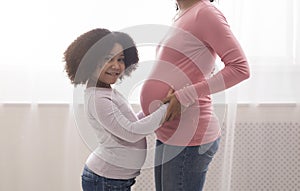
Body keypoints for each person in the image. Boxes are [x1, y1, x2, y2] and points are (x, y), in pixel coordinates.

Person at [140, 0, 250, 190]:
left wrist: (185, 96)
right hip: (169, 132)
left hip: (189, 137)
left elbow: (240, 68)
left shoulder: (205, 13)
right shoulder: (184, 14)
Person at [63, 28, 171, 191]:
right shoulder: (98, 99)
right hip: (106, 180)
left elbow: (128, 123)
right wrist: (167, 108)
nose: (116, 65)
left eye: (120, 59)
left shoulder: (105, 92)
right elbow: (131, 132)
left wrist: (154, 110)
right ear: (89, 61)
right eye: (108, 59)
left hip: (114, 179)